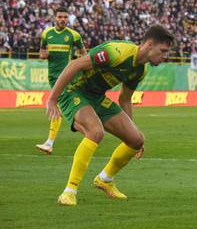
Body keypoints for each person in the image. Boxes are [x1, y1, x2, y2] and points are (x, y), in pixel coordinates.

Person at [46, 25, 174, 206]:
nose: (165, 56)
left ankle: (105, 179)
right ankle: (69, 191)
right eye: (163, 51)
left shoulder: (140, 70)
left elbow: (125, 99)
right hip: (73, 91)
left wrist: (132, 129)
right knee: (95, 132)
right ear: (150, 44)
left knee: (136, 140)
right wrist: (53, 98)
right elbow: (75, 64)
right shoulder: (116, 52)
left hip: (96, 97)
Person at [36, 7, 87, 155]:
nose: (62, 19)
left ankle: (50, 142)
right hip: (52, 77)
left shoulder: (74, 35)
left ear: (68, 18)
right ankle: (91, 130)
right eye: (60, 17)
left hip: (67, 77)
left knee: (57, 107)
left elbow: (85, 55)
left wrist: (78, 68)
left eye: (65, 17)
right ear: (55, 18)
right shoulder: (47, 34)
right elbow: (41, 53)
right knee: (66, 108)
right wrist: (43, 55)